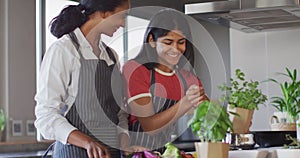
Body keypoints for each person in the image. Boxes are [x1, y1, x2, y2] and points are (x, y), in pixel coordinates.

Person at [34, 0, 139, 157]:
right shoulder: (63, 50)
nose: (123, 24)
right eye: (122, 16)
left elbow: (118, 112)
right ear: (104, 13)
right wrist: (87, 142)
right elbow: (46, 115)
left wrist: (124, 140)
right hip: (74, 152)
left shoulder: (111, 56)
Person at [122, 8, 209, 151]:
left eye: (181, 42)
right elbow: (149, 126)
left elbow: (207, 120)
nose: (176, 49)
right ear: (152, 40)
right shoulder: (136, 70)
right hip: (139, 151)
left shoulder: (188, 79)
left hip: (171, 151)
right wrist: (185, 104)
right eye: (168, 42)